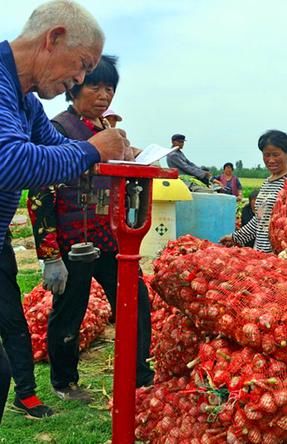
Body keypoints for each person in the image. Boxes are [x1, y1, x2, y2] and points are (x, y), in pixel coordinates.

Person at [0, 0, 129, 420]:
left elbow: (56, 153)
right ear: (53, 39)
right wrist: (92, 149)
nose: (79, 78)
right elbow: (12, 162)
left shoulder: (26, 104)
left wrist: (105, 154)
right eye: (82, 66)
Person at [27, 55, 154, 403]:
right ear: (76, 87)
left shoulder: (107, 132)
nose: (104, 94)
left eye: (109, 87)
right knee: (70, 310)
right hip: (73, 242)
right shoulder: (56, 129)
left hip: (110, 238)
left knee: (136, 301)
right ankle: (64, 382)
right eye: (95, 86)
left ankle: (139, 373)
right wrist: (50, 255)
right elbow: (39, 194)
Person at [220, 130, 287, 253]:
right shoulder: (267, 182)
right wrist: (236, 237)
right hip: (261, 255)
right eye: (267, 155)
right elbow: (260, 219)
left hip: (282, 257)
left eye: (276, 154)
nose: (271, 160)